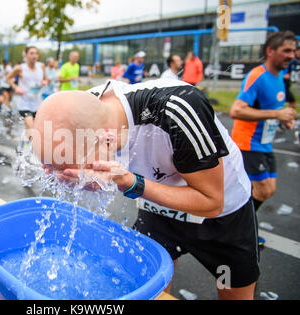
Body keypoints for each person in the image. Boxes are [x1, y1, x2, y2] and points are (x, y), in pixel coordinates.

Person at [32, 77, 261, 299]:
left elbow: (212, 202)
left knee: (234, 292)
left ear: (108, 140)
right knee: (154, 289)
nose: (81, 179)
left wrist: (132, 183)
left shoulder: (178, 109)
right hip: (157, 207)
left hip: (222, 217)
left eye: (83, 170)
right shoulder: (81, 110)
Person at [230, 31, 297, 245]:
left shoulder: (280, 77)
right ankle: (240, 231)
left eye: (294, 50)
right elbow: (236, 110)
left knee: (268, 189)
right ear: (271, 51)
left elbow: (270, 108)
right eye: (286, 51)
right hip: (247, 143)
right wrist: (277, 114)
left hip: (264, 144)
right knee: (262, 189)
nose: (292, 55)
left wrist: (283, 118)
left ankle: (238, 226)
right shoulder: (257, 75)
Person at [6, 46, 47, 135]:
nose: (34, 55)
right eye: (31, 53)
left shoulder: (41, 66)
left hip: (37, 104)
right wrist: (15, 87)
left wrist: (44, 82)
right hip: (24, 104)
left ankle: (25, 145)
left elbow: (45, 79)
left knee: (36, 130)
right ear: (26, 55)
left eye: (36, 53)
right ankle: (29, 147)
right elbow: (8, 78)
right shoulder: (19, 68)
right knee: (31, 128)